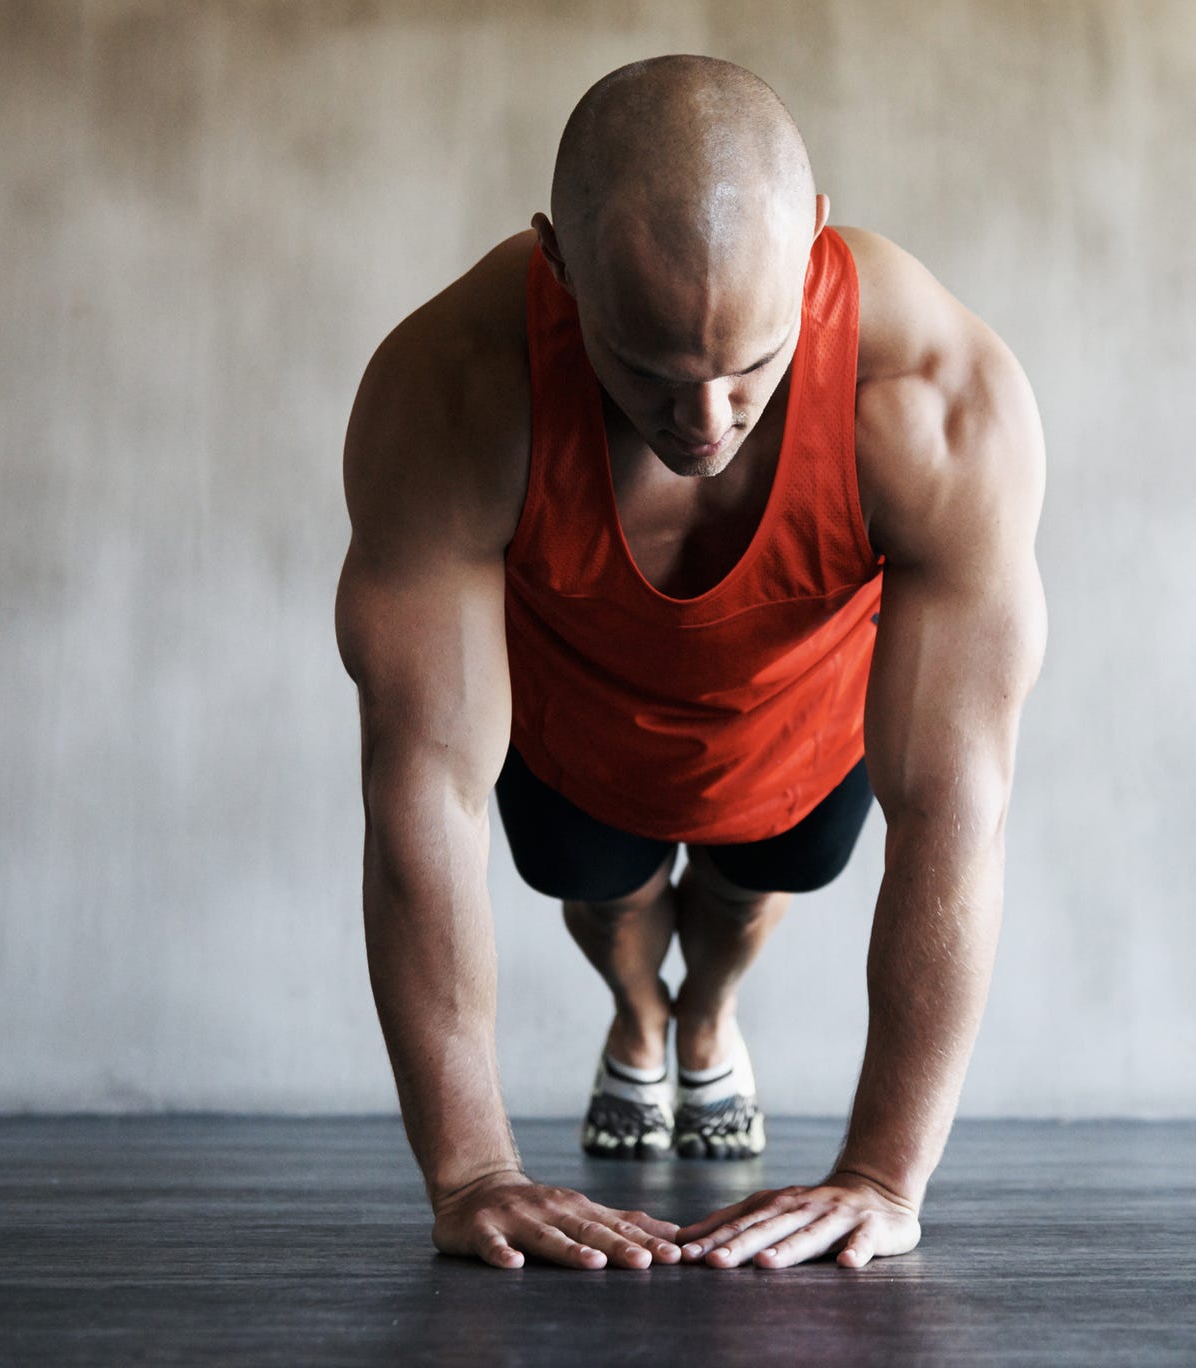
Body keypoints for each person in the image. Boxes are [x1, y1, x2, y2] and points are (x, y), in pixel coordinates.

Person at [332, 54, 1046, 1272]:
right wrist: (472, 1175)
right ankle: (640, 1010)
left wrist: (883, 1176)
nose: (705, 422)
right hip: (572, 739)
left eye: (751, 369)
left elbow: (954, 807)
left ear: (815, 246)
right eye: (652, 374)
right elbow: (424, 793)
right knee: (605, 899)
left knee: (749, 894)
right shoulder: (455, 394)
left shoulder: (933, 398)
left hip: (804, 736)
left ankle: (702, 1015)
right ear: (556, 270)